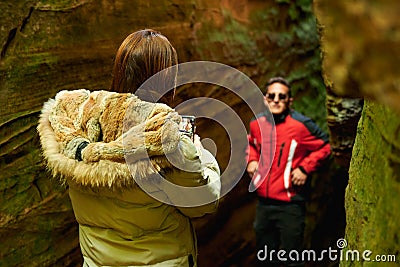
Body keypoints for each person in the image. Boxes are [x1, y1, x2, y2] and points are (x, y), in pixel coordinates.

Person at [37, 29, 221, 267]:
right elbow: (203, 203)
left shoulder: (75, 127)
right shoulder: (167, 141)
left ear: (120, 69)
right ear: (167, 78)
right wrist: (199, 154)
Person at [246, 77, 331, 266]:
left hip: (290, 205)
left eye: (281, 97)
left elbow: (325, 146)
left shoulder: (301, 126)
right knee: (265, 257)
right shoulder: (256, 124)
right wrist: (251, 160)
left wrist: (304, 168)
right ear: (265, 99)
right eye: (272, 96)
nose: (276, 100)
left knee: (292, 258)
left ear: (289, 101)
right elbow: (251, 143)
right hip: (263, 204)